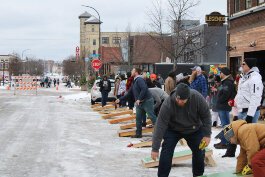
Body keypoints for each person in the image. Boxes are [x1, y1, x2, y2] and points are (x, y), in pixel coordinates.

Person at [151, 83, 212, 177]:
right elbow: (160, 125)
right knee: (166, 152)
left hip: (194, 129)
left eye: (183, 100)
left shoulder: (197, 98)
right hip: (173, 129)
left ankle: (198, 175)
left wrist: (207, 135)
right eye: (178, 99)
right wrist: (155, 148)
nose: (180, 102)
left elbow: (206, 116)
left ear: (188, 97)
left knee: (199, 151)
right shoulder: (168, 104)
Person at [116, 68, 157, 138]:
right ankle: (138, 134)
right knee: (138, 118)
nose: (131, 71)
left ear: (136, 72)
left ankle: (161, 133)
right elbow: (129, 94)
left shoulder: (140, 80)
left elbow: (144, 89)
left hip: (146, 101)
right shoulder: (134, 81)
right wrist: (120, 99)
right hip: (139, 103)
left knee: (151, 116)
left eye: (133, 70)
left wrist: (139, 99)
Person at [235, 58, 264, 123]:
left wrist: (250, 115)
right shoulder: (243, 77)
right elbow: (239, 94)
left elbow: (255, 97)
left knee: (248, 133)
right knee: (239, 132)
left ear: (249, 66)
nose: (241, 65)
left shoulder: (255, 78)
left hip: (250, 113)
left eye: (243, 64)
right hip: (241, 111)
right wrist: (235, 113)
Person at [214, 67, 236, 149]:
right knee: (226, 125)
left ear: (224, 73)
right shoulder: (226, 82)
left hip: (224, 107)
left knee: (226, 125)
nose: (220, 74)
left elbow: (226, 94)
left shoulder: (227, 82)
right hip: (223, 106)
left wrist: (219, 100)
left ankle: (226, 142)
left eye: (220, 72)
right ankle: (225, 141)